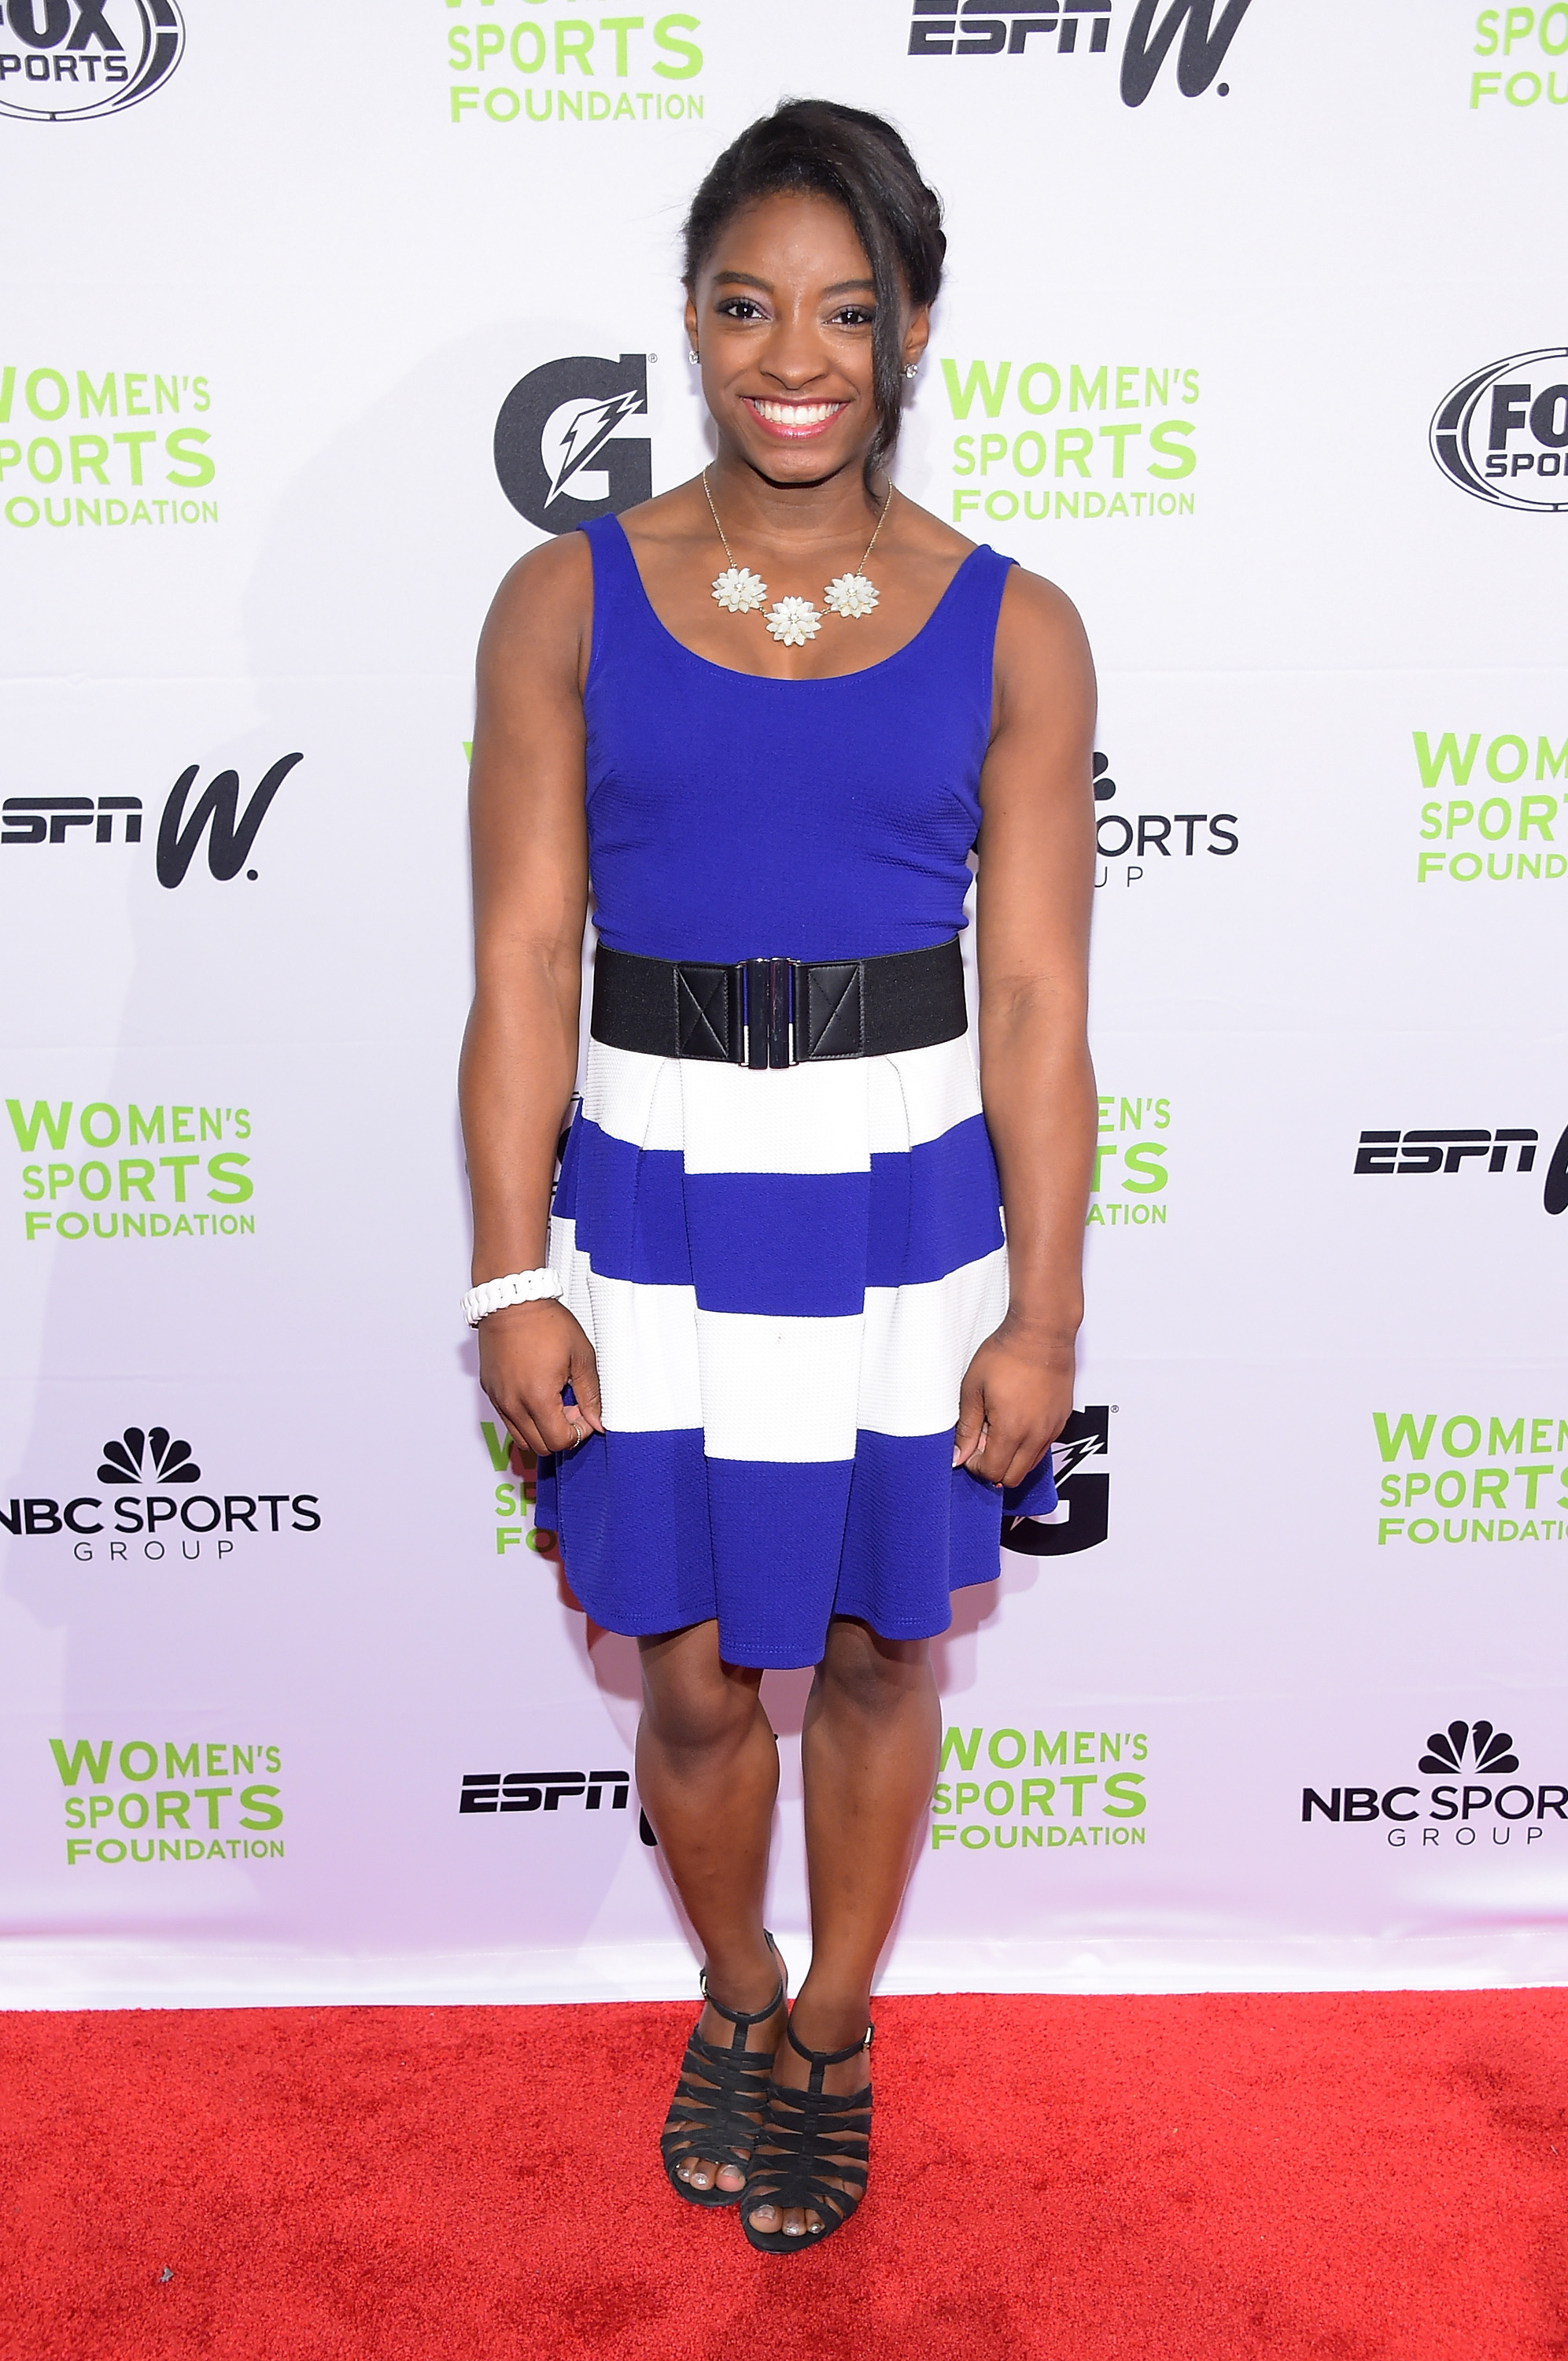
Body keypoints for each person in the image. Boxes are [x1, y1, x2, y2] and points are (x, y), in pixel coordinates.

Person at [459, 98, 1096, 2253]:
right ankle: (730, 1993)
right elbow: (524, 959)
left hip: (897, 1197)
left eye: (840, 307)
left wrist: (1044, 1309)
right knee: (694, 1667)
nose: (790, 353)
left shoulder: (1011, 626)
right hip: (651, 1192)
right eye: (744, 304)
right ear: (693, 323)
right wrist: (501, 1276)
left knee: (875, 1649)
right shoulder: (564, 596)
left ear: (912, 326)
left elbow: (1030, 1003)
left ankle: (833, 2024)